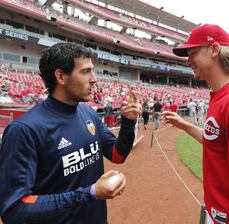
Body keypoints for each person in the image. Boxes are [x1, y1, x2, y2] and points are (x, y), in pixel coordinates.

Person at [0, 43, 140, 224]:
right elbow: (14, 209)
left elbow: (117, 155)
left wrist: (128, 123)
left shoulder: (88, 113)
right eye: (85, 71)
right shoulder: (24, 130)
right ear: (61, 76)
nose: (94, 79)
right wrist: (90, 193)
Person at [163, 24, 229, 224]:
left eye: (193, 53)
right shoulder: (220, 96)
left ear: (215, 49)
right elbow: (216, 142)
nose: (188, 61)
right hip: (218, 212)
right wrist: (185, 125)